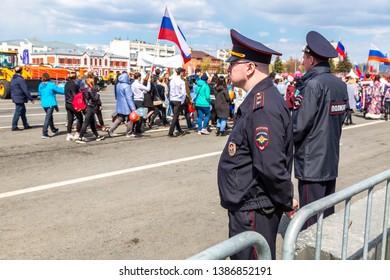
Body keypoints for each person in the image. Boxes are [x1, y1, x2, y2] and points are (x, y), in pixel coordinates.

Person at [217, 29, 297, 260]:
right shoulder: (259, 99)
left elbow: (270, 165)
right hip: (248, 205)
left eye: (233, 63)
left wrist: (286, 200)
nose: (229, 68)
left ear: (250, 68)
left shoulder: (263, 106)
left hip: (253, 209)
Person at [293, 31, 349, 230]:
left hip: (311, 162)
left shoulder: (313, 85)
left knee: (310, 220)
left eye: (304, 58)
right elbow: (341, 118)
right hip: (330, 159)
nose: (302, 62)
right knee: (327, 215)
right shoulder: (340, 85)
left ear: (311, 59)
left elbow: (298, 126)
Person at [75, 77, 105, 143]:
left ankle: (97, 136)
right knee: (86, 123)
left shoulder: (84, 89)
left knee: (92, 122)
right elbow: (95, 98)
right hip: (90, 107)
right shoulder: (90, 89)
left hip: (86, 107)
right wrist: (98, 95)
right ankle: (80, 138)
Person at [107, 72, 137, 137]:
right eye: (128, 76)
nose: (129, 77)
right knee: (130, 119)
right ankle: (129, 132)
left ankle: (110, 129)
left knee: (120, 118)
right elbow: (129, 98)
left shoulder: (118, 84)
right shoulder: (127, 86)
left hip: (120, 104)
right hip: (126, 105)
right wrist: (133, 108)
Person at [38, 73, 64, 139]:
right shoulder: (51, 84)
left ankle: (53, 129)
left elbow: (40, 93)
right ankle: (44, 132)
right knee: (48, 117)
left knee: (49, 116)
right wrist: (66, 91)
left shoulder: (40, 85)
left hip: (44, 103)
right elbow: (59, 90)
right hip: (50, 103)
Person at [10, 66, 35, 131]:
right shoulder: (20, 79)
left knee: (22, 111)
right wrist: (31, 98)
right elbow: (25, 90)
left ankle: (25, 124)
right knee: (18, 112)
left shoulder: (13, 79)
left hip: (16, 97)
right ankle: (14, 126)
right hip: (20, 98)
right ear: (21, 71)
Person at [64, 70, 84, 141]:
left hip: (67, 103)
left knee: (70, 119)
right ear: (75, 77)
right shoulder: (74, 85)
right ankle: (77, 133)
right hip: (73, 103)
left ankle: (68, 134)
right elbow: (75, 95)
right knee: (80, 118)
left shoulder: (66, 84)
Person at [167, 67, 187, 137]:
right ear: (181, 73)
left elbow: (170, 90)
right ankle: (170, 132)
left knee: (176, 115)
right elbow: (183, 93)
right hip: (178, 99)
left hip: (172, 99)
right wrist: (182, 100)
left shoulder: (172, 80)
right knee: (175, 116)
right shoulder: (181, 81)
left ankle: (179, 130)